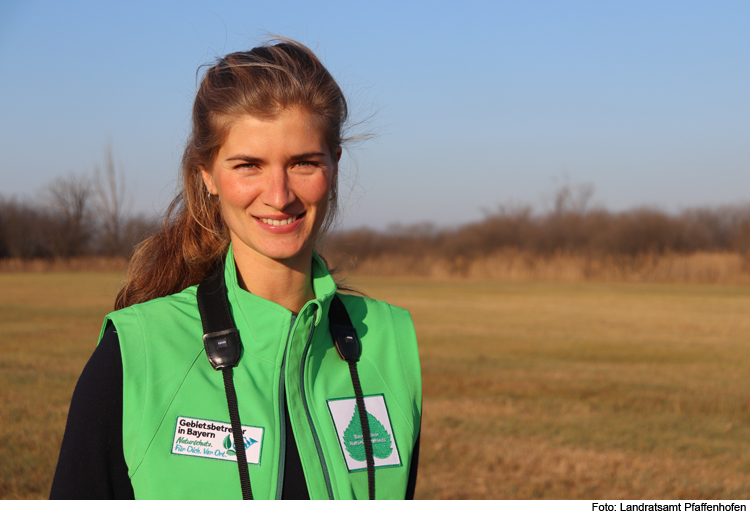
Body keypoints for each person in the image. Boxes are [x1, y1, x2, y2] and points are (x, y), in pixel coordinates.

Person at [50, 39, 421, 500]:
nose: (279, 194)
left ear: (335, 164)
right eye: (249, 165)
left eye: (304, 163)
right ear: (206, 172)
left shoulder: (389, 341)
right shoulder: (135, 352)